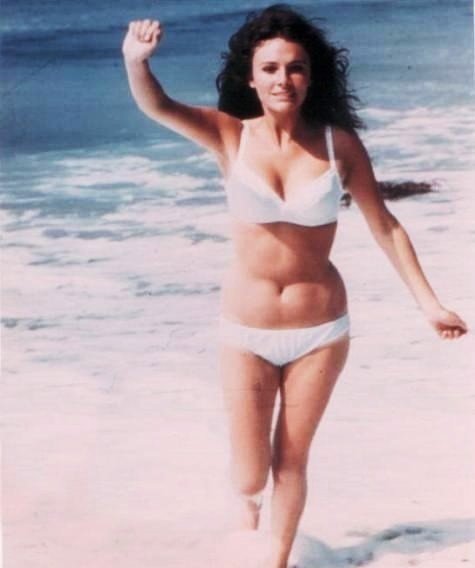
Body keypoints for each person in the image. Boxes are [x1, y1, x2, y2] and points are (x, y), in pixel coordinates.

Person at [122, 5, 467, 567]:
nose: (284, 79)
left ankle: (276, 561)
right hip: (247, 331)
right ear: (251, 78)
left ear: (311, 76)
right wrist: (136, 62)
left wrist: (430, 305)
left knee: (291, 461)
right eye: (271, 68)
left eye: (296, 67)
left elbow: (385, 226)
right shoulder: (228, 135)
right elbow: (156, 105)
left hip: (320, 330)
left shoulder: (337, 145)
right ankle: (246, 508)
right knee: (250, 473)